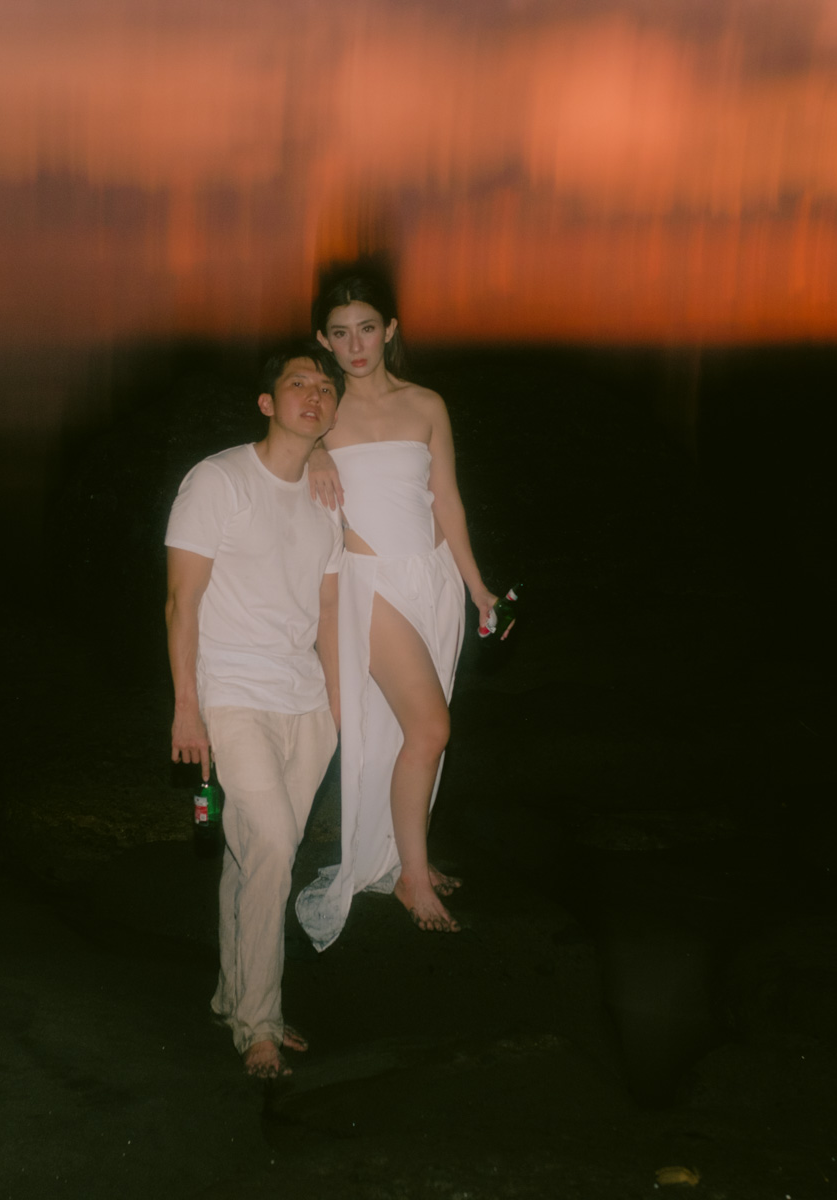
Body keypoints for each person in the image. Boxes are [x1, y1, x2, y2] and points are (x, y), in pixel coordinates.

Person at [293, 271, 499, 947]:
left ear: (390, 330)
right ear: (323, 340)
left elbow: (448, 500)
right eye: (340, 334)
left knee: (413, 731)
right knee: (431, 728)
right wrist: (314, 450)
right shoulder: (323, 413)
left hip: (432, 577)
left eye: (367, 329)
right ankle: (411, 877)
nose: (355, 346)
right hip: (370, 583)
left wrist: (476, 587)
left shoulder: (426, 404)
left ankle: (410, 854)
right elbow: (278, 451)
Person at [164, 341, 345, 1078]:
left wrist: (339, 713)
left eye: (325, 387)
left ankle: (231, 993)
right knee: (270, 842)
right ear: (267, 402)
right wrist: (187, 707)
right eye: (299, 383)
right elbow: (181, 601)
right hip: (234, 694)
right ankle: (258, 1023)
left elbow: (329, 611)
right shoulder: (217, 480)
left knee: (257, 855)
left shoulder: (327, 498)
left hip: (308, 704)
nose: (315, 394)